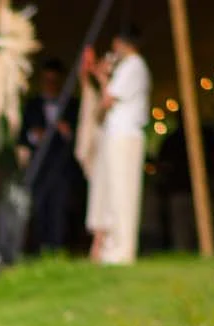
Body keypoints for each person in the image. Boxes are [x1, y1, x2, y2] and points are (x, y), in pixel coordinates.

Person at [87, 24, 150, 265]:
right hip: (118, 134)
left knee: (122, 191)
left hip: (125, 135)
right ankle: (113, 246)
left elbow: (108, 99)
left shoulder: (134, 66)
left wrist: (102, 77)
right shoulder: (129, 67)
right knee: (113, 190)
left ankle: (121, 249)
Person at [19, 60, 82, 253]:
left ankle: (58, 248)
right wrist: (34, 136)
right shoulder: (32, 104)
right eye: (47, 80)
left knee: (60, 207)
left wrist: (65, 131)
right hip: (39, 165)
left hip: (62, 166)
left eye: (54, 80)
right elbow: (23, 135)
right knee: (39, 207)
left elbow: (81, 135)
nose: (50, 84)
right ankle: (39, 248)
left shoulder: (72, 105)